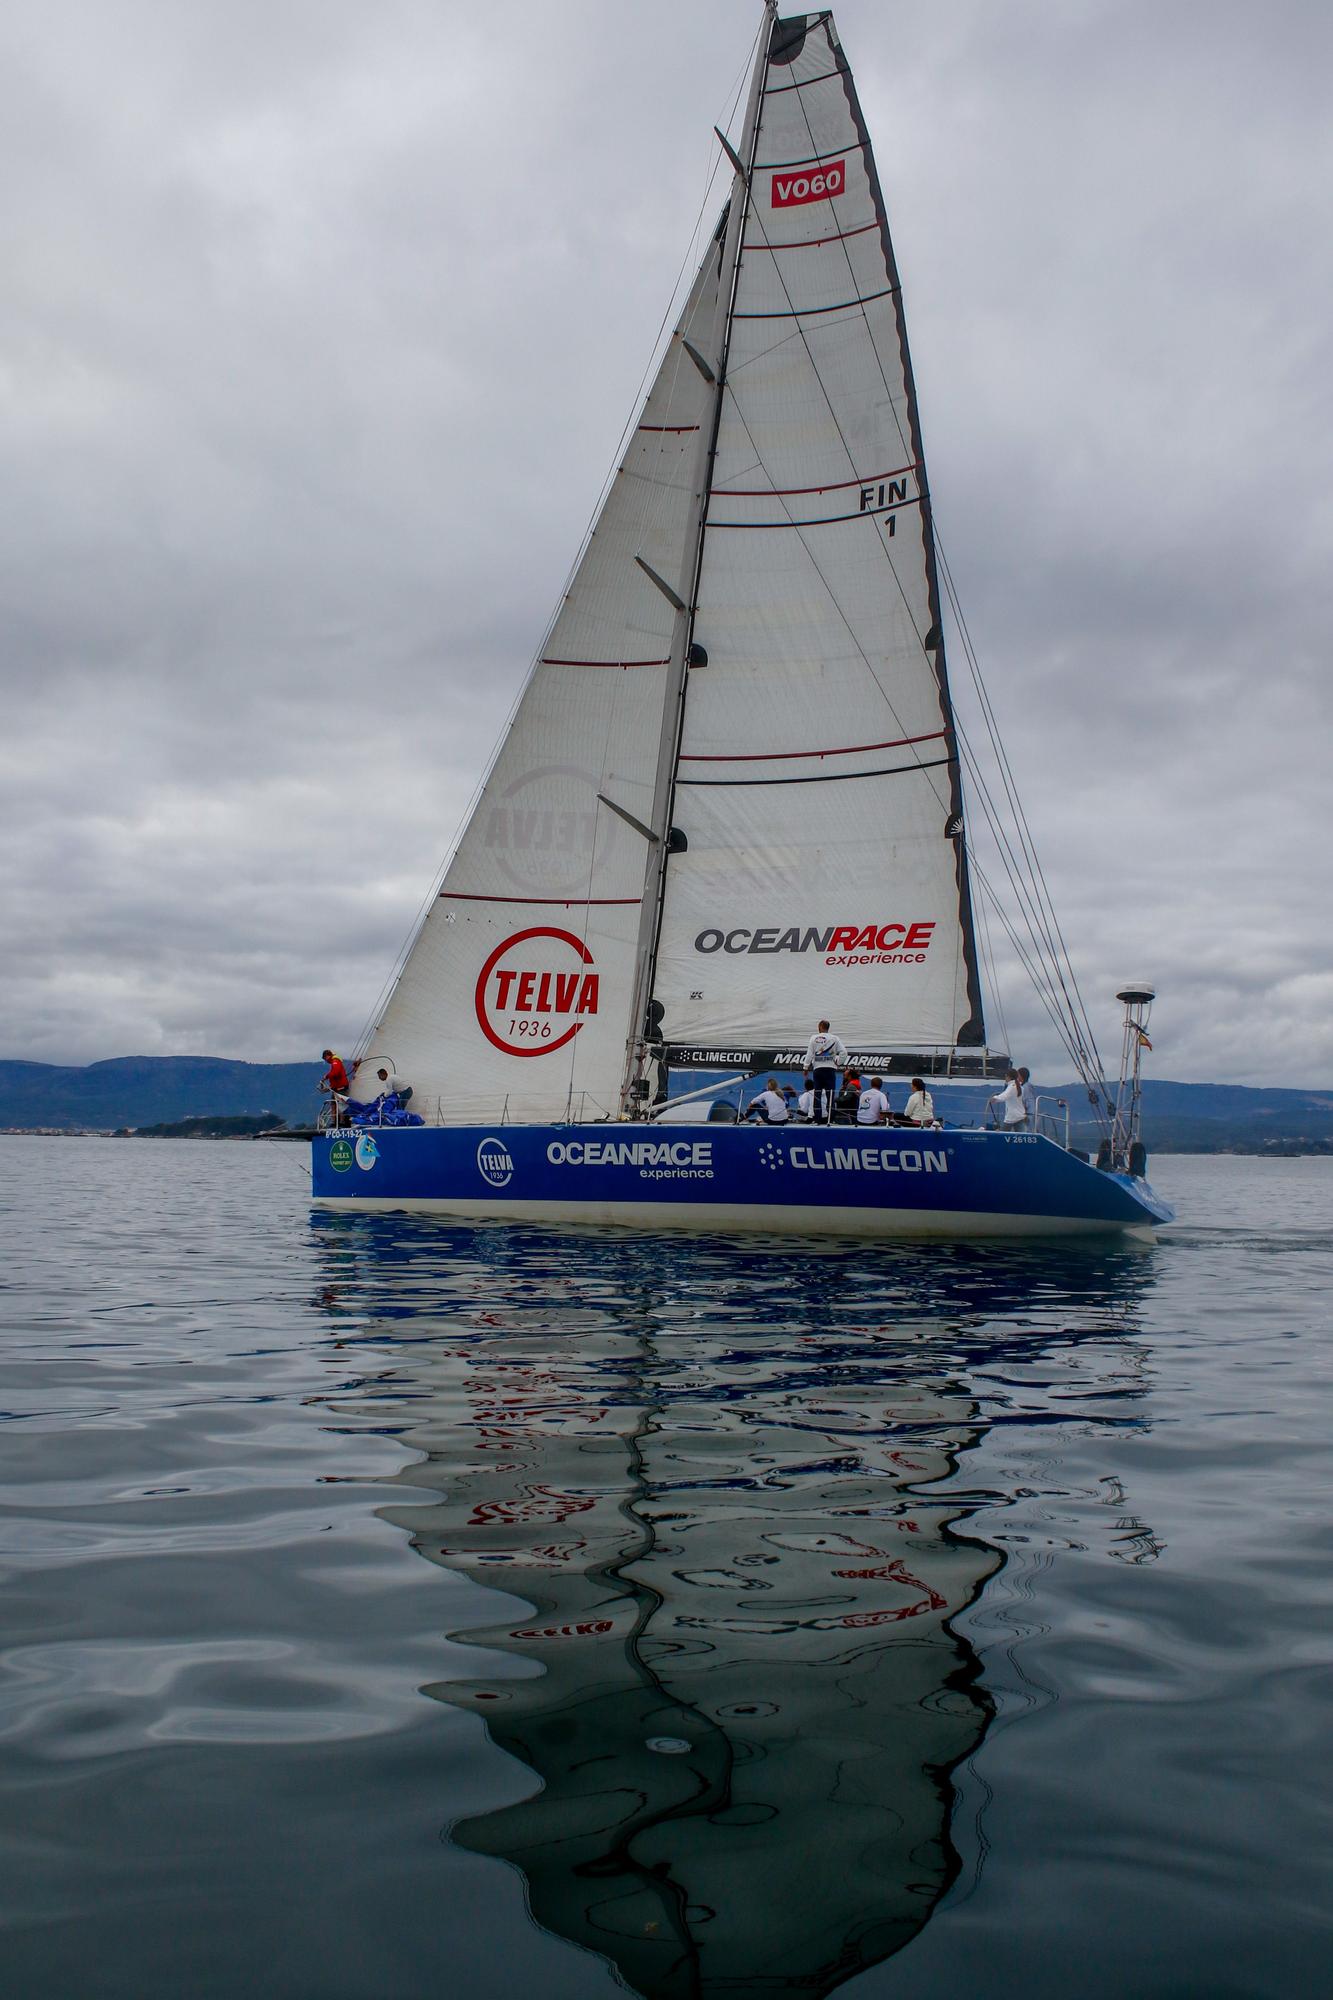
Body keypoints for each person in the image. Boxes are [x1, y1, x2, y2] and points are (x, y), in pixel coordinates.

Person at [803, 1020, 848, 1125]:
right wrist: (838, 1062)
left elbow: (809, 1053)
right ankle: (830, 1120)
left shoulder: (813, 1038)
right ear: (828, 1027)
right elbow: (844, 1052)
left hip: (818, 1070)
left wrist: (805, 1067)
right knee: (830, 1094)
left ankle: (817, 1120)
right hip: (830, 1070)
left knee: (817, 1094)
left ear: (819, 1027)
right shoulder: (834, 1038)